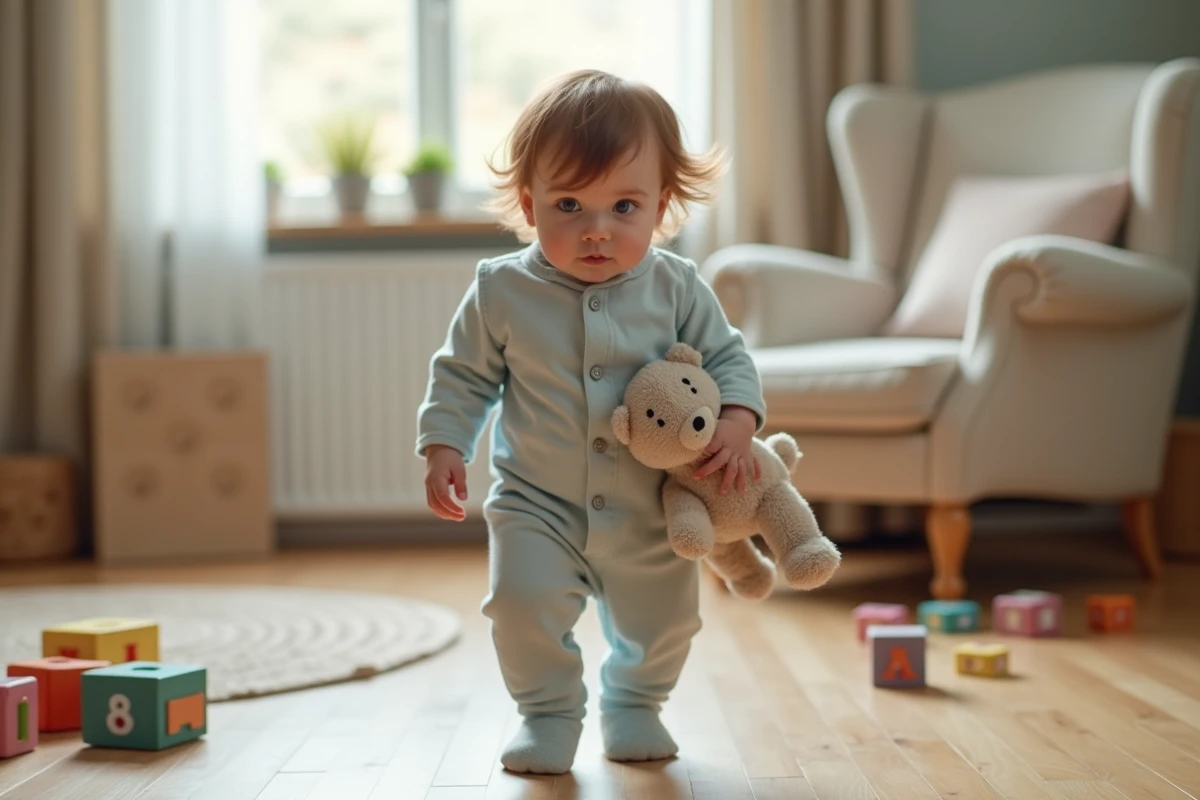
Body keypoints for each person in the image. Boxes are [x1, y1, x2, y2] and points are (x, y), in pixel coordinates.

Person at [416, 69, 765, 775]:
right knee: (519, 607)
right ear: (529, 202)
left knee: (666, 622)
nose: (596, 230)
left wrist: (736, 416)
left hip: (653, 505)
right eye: (569, 204)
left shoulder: (676, 286)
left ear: (661, 207)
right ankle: (546, 712)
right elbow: (462, 374)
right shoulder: (502, 289)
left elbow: (729, 357)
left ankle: (637, 702)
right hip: (536, 503)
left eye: (624, 207)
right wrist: (444, 442)